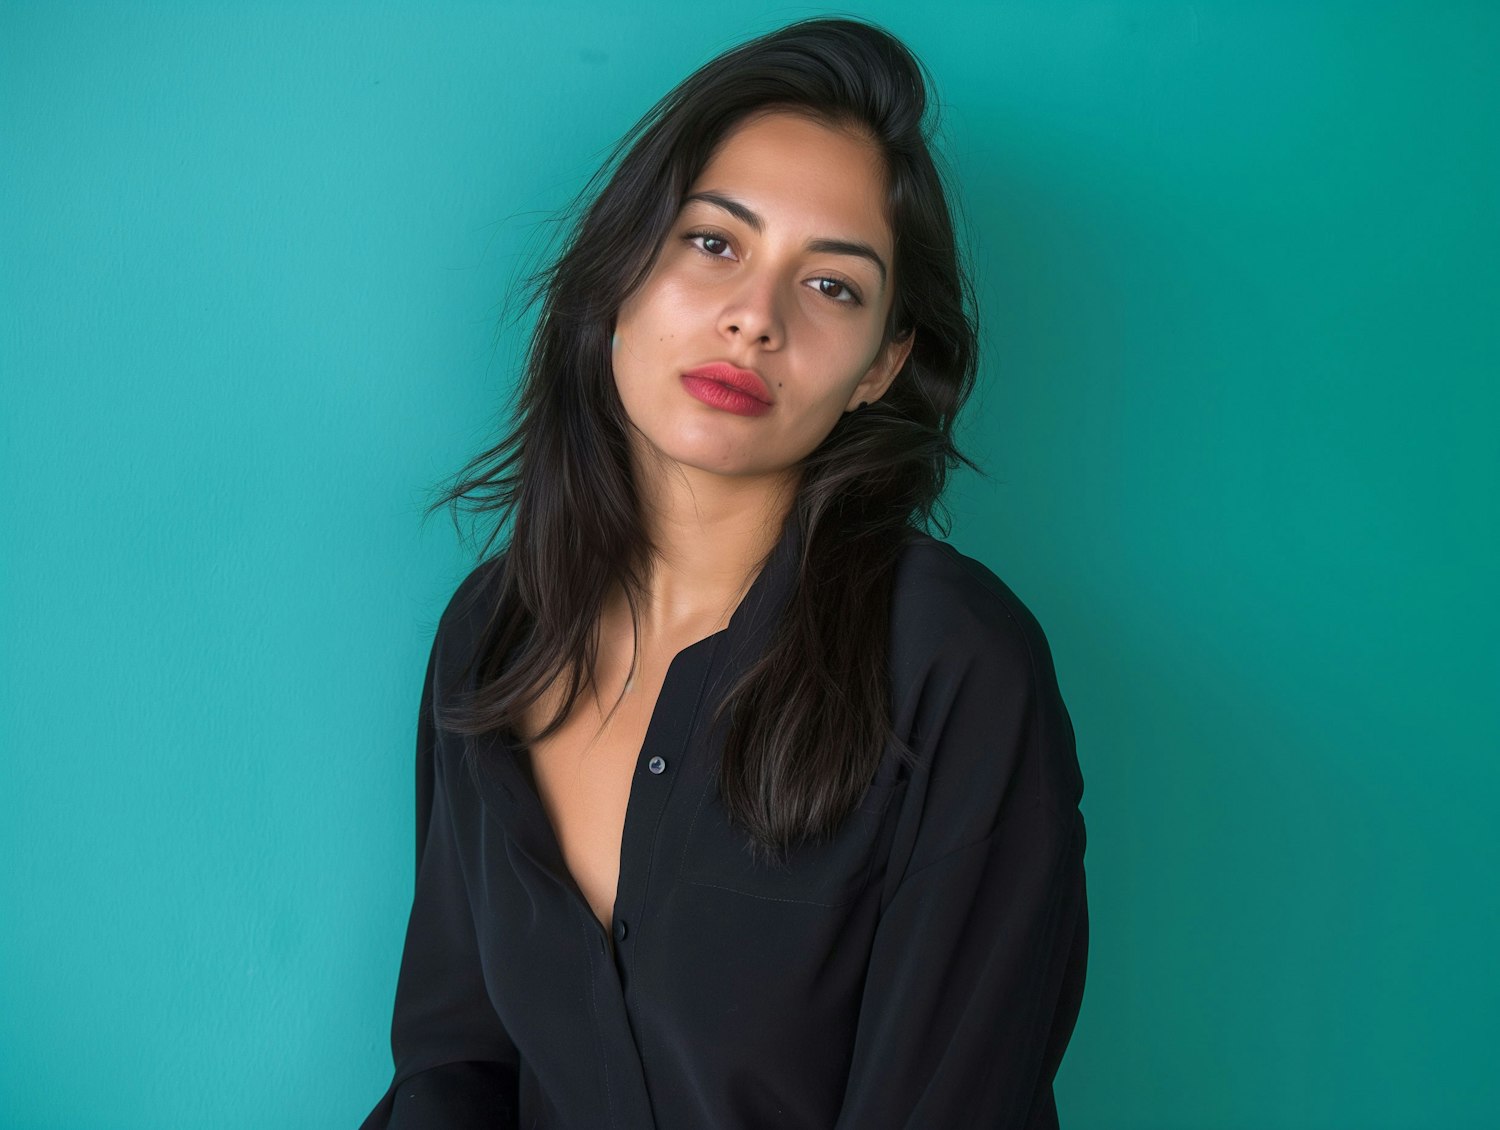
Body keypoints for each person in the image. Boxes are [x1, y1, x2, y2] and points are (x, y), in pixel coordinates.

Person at [359, 15, 1087, 1129]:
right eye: (714, 242)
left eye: (833, 287)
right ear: (621, 275)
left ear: (881, 366)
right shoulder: (494, 629)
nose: (756, 316)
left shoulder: (955, 662)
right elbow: (455, 1065)